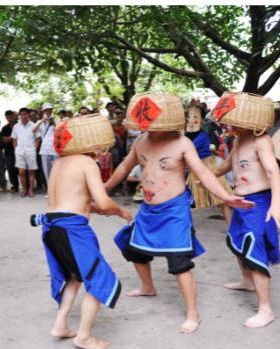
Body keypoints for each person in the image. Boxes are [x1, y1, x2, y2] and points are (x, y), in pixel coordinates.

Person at [107, 93, 254, 334]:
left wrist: (226, 197)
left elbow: (204, 174)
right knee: (132, 248)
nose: (151, 130)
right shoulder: (142, 140)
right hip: (148, 209)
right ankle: (147, 287)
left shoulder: (182, 143)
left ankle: (192, 313)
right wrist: (104, 188)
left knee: (179, 262)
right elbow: (124, 166)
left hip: (174, 210)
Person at [31, 114, 132, 349]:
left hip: (53, 228)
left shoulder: (59, 163)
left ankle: (60, 325)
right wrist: (119, 210)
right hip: (72, 231)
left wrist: (110, 211)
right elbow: (104, 202)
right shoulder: (86, 163)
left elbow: (77, 203)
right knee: (99, 279)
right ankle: (84, 336)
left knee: (74, 278)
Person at [213, 92, 280, 329]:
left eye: (232, 118)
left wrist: (276, 203)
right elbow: (230, 163)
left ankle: (266, 309)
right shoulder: (238, 140)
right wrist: (209, 176)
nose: (228, 123)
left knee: (254, 249)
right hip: (240, 202)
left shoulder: (262, 140)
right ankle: (246, 281)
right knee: (236, 242)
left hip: (258, 203)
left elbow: (273, 173)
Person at [185, 104, 232, 224]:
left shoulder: (202, 136)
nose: (191, 120)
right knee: (182, 199)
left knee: (221, 200)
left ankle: (232, 227)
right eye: (189, 116)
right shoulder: (186, 134)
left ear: (201, 120)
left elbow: (187, 149)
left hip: (207, 168)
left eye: (195, 116)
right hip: (192, 170)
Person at [11, 107, 40, 197]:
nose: (23, 116)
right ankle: (24, 190)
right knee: (21, 172)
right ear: (20, 116)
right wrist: (16, 149)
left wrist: (35, 149)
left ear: (28, 115)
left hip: (30, 151)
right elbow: (14, 139)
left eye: (25, 114)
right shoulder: (16, 126)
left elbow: (38, 138)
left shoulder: (33, 125)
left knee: (31, 171)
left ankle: (31, 190)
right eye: (22, 115)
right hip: (20, 152)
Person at [34, 103, 59, 188]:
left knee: (57, 170)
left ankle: (57, 188)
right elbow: (33, 130)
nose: (48, 111)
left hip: (55, 149)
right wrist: (42, 121)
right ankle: (49, 189)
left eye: (49, 110)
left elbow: (60, 132)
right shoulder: (39, 122)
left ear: (52, 110)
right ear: (43, 111)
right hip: (44, 149)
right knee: (46, 170)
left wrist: (54, 124)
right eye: (46, 110)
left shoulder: (56, 120)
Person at [2, 110, 19, 192]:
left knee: (21, 169)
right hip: (9, 152)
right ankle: (15, 186)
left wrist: (10, 138)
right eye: (7, 117)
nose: (9, 119)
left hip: (20, 150)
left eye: (11, 117)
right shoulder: (4, 128)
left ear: (14, 116)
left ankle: (26, 186)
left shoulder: (20, 125)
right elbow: (4, 140)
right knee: (11, 169)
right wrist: (15, 137)